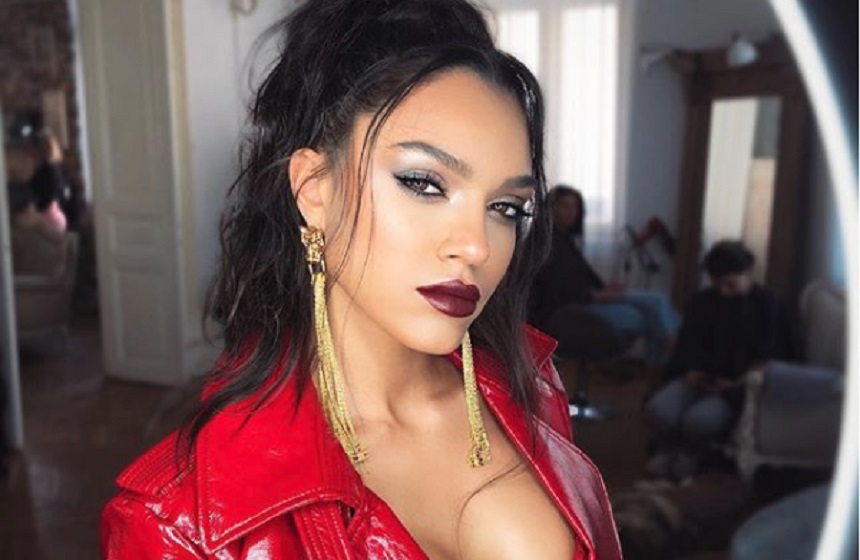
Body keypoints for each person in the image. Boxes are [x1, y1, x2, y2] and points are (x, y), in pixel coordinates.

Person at [100, 1, 621, 559]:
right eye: (423, 183)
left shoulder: (526, 385)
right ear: (314, 190)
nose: (476, 246)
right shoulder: (178, 524)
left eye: (505, 207)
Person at [644, 240, 800, 480]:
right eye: (718, 285)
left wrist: (740, 381)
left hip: (736, 387)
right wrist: (691, 371)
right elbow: (687, 345)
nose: (724, 292)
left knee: (699, 421)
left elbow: (775, 357)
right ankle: (667, 449)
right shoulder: (702, 301)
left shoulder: (769, 305)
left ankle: (691, 452)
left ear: (747, 272)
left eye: (731, 285)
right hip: (700, 378)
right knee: (659, 410)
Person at [532, 185, 679, 366]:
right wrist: (596, 296)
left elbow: (586, 274)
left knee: (659, 303)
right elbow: (555, 290)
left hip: (593, 298)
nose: (571, 212)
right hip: (574, 310)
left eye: (575, 207)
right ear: (550, 208)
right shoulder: (544, 243)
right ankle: (670, 364)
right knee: (652, 315)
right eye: (564, 206)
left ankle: (665, 366)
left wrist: (605, 289)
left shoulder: (565, 239)